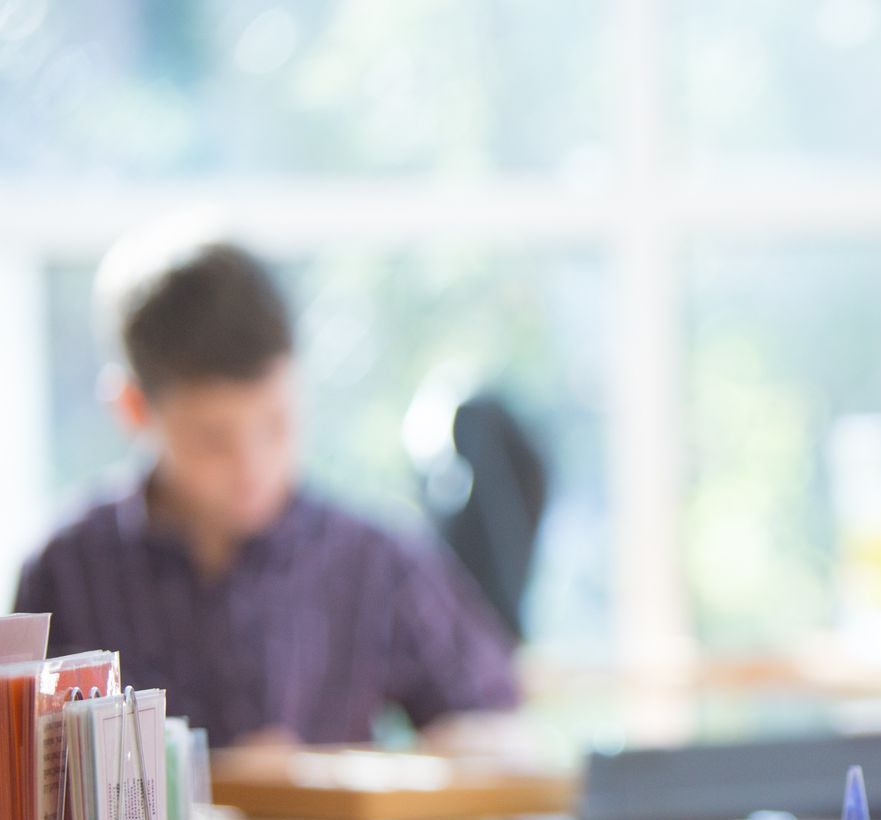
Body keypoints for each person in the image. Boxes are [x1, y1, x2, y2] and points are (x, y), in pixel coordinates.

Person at [12, 231, 518, 747]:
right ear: (134, 409)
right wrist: (223, 786)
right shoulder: (66, 571)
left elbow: (499, 727)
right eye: (212, 439)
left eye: (277, 423)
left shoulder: (372, 560)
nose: (253, 467)